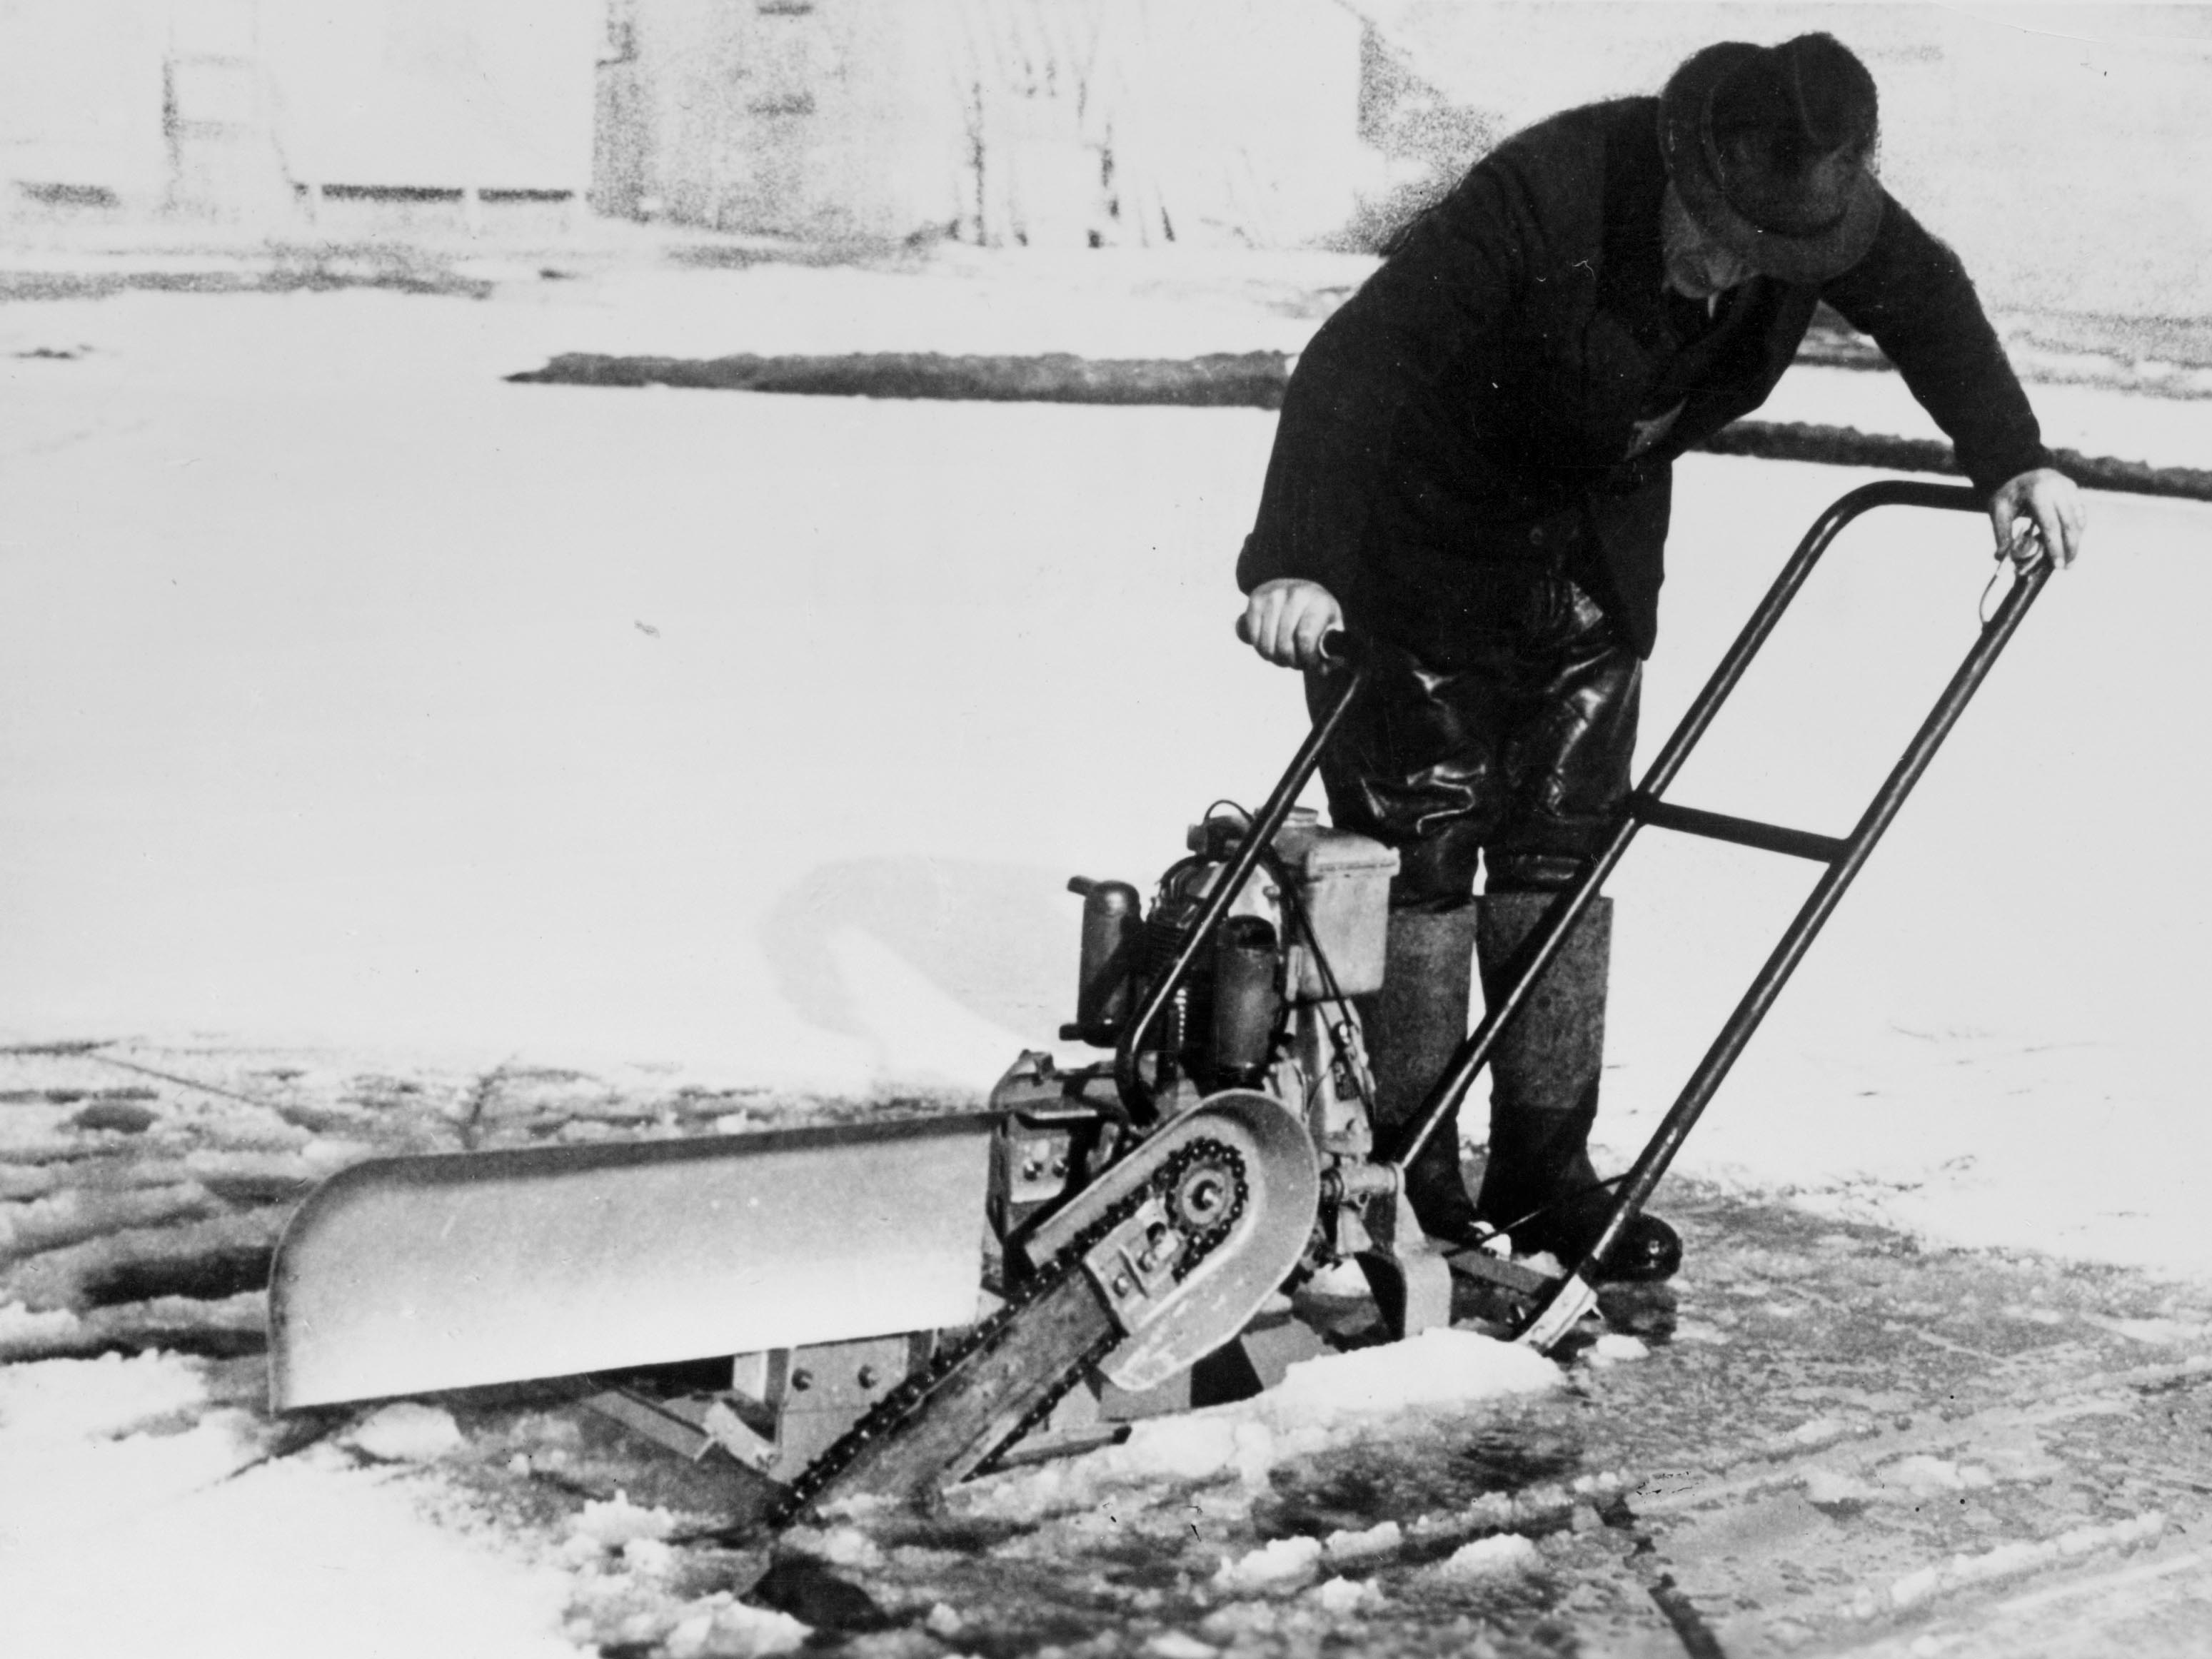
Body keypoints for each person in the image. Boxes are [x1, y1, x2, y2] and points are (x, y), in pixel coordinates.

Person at [1235, 34, 2087, 1282]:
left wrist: (2008, 455)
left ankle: (1543, 1174)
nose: (1732, 271)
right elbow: (1356, 363)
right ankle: (1402, 1178)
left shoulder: (1819, 209)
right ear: (1687, 167)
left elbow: (1929, 302)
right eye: (1720, 235)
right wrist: (1294, 560)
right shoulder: (1553, 188)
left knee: (1563, 844)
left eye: (1769, 257)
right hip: (1419, 552)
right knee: (1427, 845)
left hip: (1591, 561)